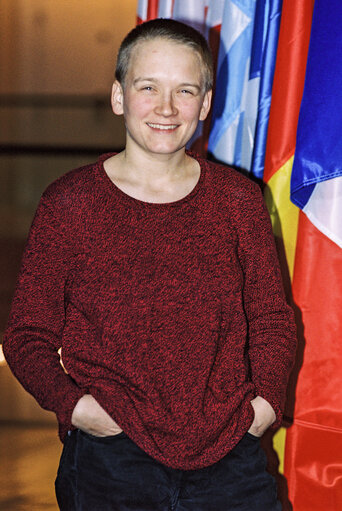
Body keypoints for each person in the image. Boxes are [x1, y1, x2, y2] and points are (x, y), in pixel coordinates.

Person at [3, 18, 297, 511]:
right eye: (148, 87)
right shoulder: (69, 204)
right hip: (109, 461)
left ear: (205, 104)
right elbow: (26, 335)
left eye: (185, 90)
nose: (166, 108)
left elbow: (271, 319)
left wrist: (264, 404)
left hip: (231, 457)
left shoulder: (239, 201)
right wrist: (76, 407)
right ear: (119, 96)